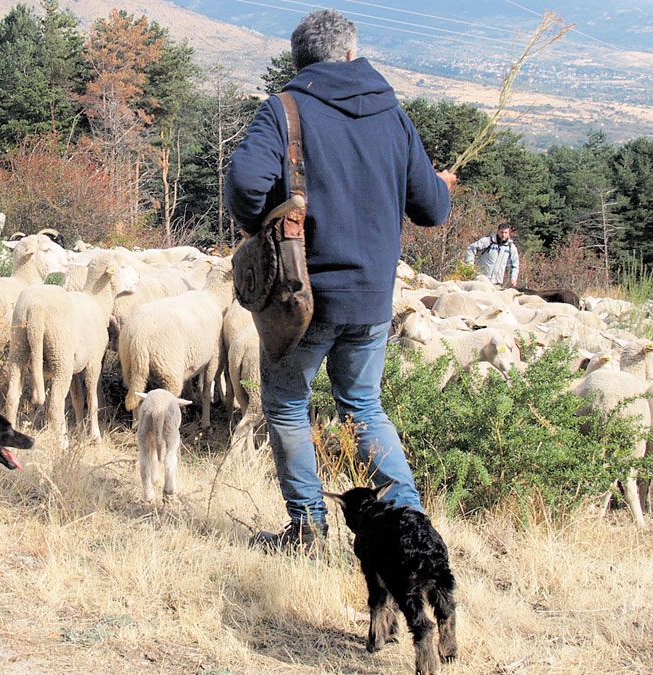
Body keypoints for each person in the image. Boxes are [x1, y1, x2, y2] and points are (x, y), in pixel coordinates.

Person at [226, 9, 455, 557]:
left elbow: (243, 184)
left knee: (286, 407)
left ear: (299, 60)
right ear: (352, 54)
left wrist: (268, 219)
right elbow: (432, 208)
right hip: (372, 301)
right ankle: (411, 530)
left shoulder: (284, 111)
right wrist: (442, 182)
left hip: (300, 297)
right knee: (363, 408)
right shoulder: (392, 113)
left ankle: (308, 531)